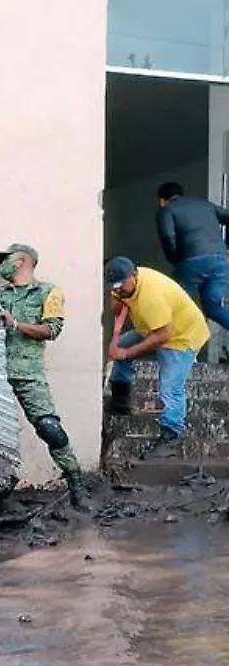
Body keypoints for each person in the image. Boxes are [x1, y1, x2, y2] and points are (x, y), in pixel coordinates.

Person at [0, 244, 89, 510]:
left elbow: (52, 329)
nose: (2, 266)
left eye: (7, 260)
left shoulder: (48, 292)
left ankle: (76, 484)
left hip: (27, 373)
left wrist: (15, 324)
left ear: (22, 261)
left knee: (49, 428)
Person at [105, 256, 209, 459]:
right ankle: (120, 399)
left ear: (134, 275)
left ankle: (172, 435)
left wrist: (126, 353)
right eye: (114, 286)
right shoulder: (124, 283)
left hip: (181, 337)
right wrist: (117, 295)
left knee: (170, 387)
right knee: (124, 342)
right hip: (151, 328)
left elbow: (164, 335)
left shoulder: (150, 296)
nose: (118, 289)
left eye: (121, 284)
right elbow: (117, 309)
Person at [155, 181, 229, 330]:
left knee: (169, 303)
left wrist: (175, 259)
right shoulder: (205, 204)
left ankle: (172, 344)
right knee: (213, 308)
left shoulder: (167, 210)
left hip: (193, 260)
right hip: (220, 261)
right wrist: (226, 244)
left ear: (162, 200)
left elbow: (167, 236)